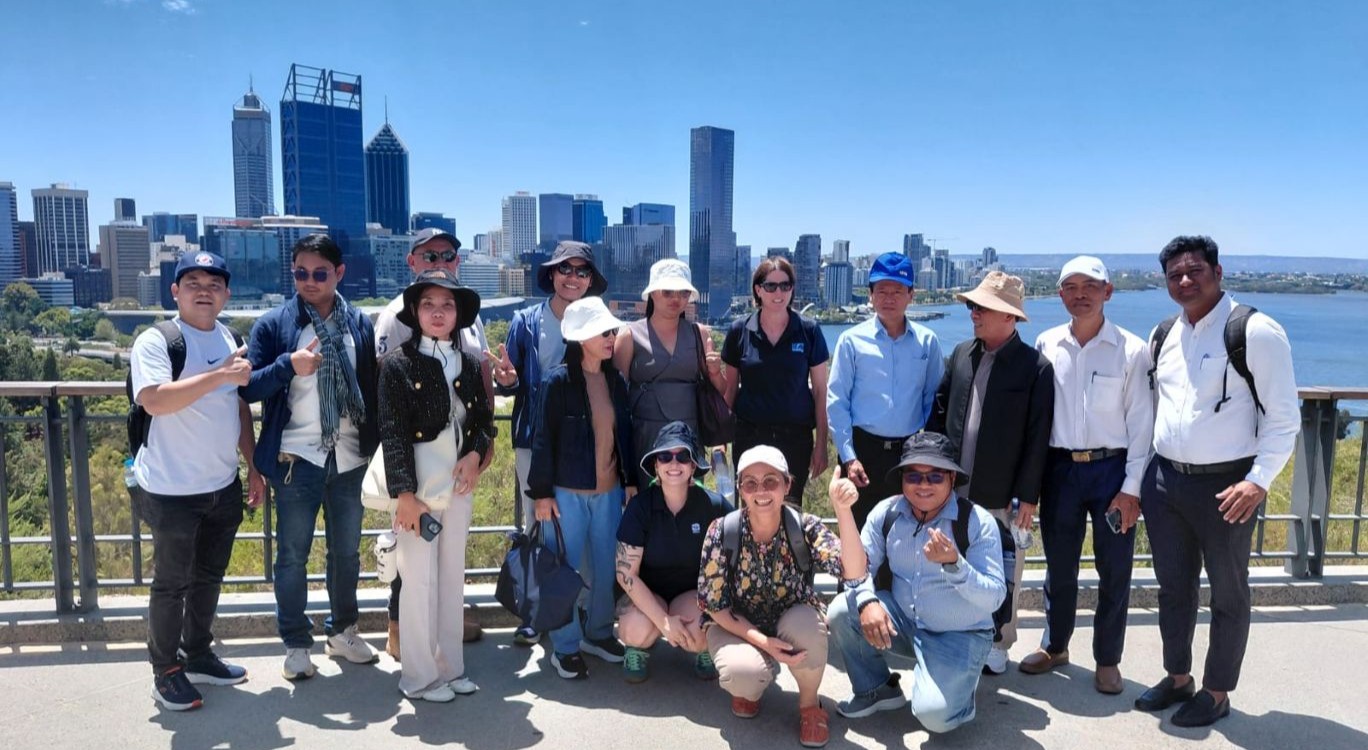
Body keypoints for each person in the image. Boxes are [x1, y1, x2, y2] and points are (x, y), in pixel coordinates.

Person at [1136, 235, 1298, 727]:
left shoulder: (1254, 331)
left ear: (1218, 272)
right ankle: (1179, 677)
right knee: (1172, 588)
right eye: (1174, 274)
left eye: (1194, 271)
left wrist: (1259, 480)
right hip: (1166, 481)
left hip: (1228, 487)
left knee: (1228, 592)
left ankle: (1217, 690)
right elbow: (1153, 411)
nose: (1184, 280)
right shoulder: (1163, 335)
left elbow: (1284, 419)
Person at [130, 251, 266, 711]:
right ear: (175, 291)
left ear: (226, 293)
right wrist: (219, 375)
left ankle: (199, 653)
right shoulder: (157, 341)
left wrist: (251, 463)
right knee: (171, 584)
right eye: (192, 282)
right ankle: (164, 671)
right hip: (171, 489)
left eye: (213, 283)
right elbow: (154, 401)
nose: (204, 290)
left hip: (221, 484)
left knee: (209, 575)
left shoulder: (229, 337)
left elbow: (237, 406)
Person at [243, 234, 380, 680]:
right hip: (294, 457)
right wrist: (289, 365)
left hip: (349, 456)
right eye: (300, 272)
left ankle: (342, 631)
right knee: (292, 555)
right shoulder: (274, 324)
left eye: (319, 273)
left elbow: (372, 388)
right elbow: (248, 387)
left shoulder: (359, 322)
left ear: (339, 274)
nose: (308, 281)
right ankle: (296, 643)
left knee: (346, 553)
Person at [1027, 256, 1154, 693]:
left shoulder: (1132, 351)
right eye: (1071, 287)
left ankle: (1107, 658)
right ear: (1059, 293)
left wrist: (1132, 489)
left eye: (1090, 286)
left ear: (1108, 292)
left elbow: (1142, 426)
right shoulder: (1045, 344)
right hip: (1060, 469)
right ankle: (1055, 644)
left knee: (1114, 568)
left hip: (1111, 471)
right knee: (1059, 567)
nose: (1080, 294)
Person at [826, 432, 1007, 733]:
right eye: (914, 476)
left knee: (934, 717)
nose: (924, 485)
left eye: (935, 476)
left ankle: (959, 698)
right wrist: (868, 601)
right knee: (842, 610)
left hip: (960, 635)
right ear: (902, 479)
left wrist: (955, 565)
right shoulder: (887, 513)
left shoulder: (976, 522)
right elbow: (856, 571)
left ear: (951, 478)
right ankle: (877, 689)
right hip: (906, 622)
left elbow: (995, 598)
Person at [377, 269, 495, 702]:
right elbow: (391, 432)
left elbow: (483, 422)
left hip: (459, 482)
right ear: (415, 311)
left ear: (459, 313)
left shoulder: (465, 361)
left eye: (447, 305)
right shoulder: (397, 365)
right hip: (418, 486)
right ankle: (419, 676)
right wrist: (404, 496)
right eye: (429, 304)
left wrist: (473, 456)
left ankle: (450, 666)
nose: (438, 312)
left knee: (451, 577)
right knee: (418, 580)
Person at [927, 270, 1053, 675]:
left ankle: (1000, 641)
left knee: (1003, 570)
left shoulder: (1036, 367)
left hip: (1003, 494)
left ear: (1010, 317)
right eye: (972, 306)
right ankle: (955, 633)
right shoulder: (962, 353)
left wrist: (1029, 496)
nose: (974, 313)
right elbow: (940, 412)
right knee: (952, 564)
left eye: (982, 307)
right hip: (953, 489)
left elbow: (1038, 438)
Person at [490, 240, 608, 647]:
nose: (572, 278)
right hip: (535, 440)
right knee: (538, 525)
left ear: (591, 279)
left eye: (581, 271)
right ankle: (535, 609)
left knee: (587, 533)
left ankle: (580, 611)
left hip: (586, 445)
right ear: (552, 275)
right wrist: (505, 380)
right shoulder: (527, 321)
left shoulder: (600, 321)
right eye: (565, 270)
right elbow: (512, 377)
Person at [698, 446, 844, 749]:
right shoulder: (722, 531)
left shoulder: (805, 528)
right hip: (737, 623)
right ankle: (749, 685)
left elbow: (852, 569)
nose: (760, 491)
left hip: (791, 618)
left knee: (809, 629)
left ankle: (809, 707)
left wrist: (842, 511)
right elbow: (716, 606)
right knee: (743, 675)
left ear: (787, 484)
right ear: (740, 489)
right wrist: (764, 643)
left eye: (770, 481)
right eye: (750, 483)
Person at [528, 296, 637, 679]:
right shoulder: (557, 381)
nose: (611, 337)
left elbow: (626, 434)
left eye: (612, 330)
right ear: (582, 338)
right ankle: (566, 645)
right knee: (566, 572)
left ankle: (599, 633)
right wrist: (541, 493)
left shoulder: (614, 381)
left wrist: (631, 483)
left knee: (607, 568)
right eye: (604, 332)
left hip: (609, 493)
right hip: (565, 494)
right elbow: (542, 438)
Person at [827, 252, 943, 531]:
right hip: (862, 453)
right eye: (882, 291)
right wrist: (849, 456)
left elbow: (933, 400)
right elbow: (837, 401)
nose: (889, 298)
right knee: (858, 536)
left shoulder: (927, 342)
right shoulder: (851, 341)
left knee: (908, 533)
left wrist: (926, 455)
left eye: (897, 291)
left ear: (911, 295)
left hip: (910, 453)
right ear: (870, 295)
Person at [615, 421, 732, 683]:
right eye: (665, 456)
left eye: (683, 456)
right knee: (634, 628)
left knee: (702, 632)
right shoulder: (640, 508)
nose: (674, 463)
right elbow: (626, 575)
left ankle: (704, 649)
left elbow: (740, 548)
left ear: (693, 466)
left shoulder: (713, 506)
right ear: (655, 465)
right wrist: (665, 622)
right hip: (648, 595)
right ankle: (637, 648)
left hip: (692, 595)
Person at [720, 256, 830, 505]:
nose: (778, 292)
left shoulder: (809, 331)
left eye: (785, 285)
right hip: (749, 437)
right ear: (758, 290)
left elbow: (821, 392)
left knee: (790, 512)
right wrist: (720, 439)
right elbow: (730, 392)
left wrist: (821, 444)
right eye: (771, 286)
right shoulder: (739, 331)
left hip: (795, 439)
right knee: (751, 509)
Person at [614, 258, 726, 489]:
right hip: (645, 438)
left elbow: (719, 391)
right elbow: (616, 399)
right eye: (668, 292)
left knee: (689, 507)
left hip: (689, 437)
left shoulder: (700, 333)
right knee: (648, 507)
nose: (676, 299)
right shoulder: (628, 336)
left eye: (683, 293)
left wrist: (715, 372)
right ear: (652, 294)